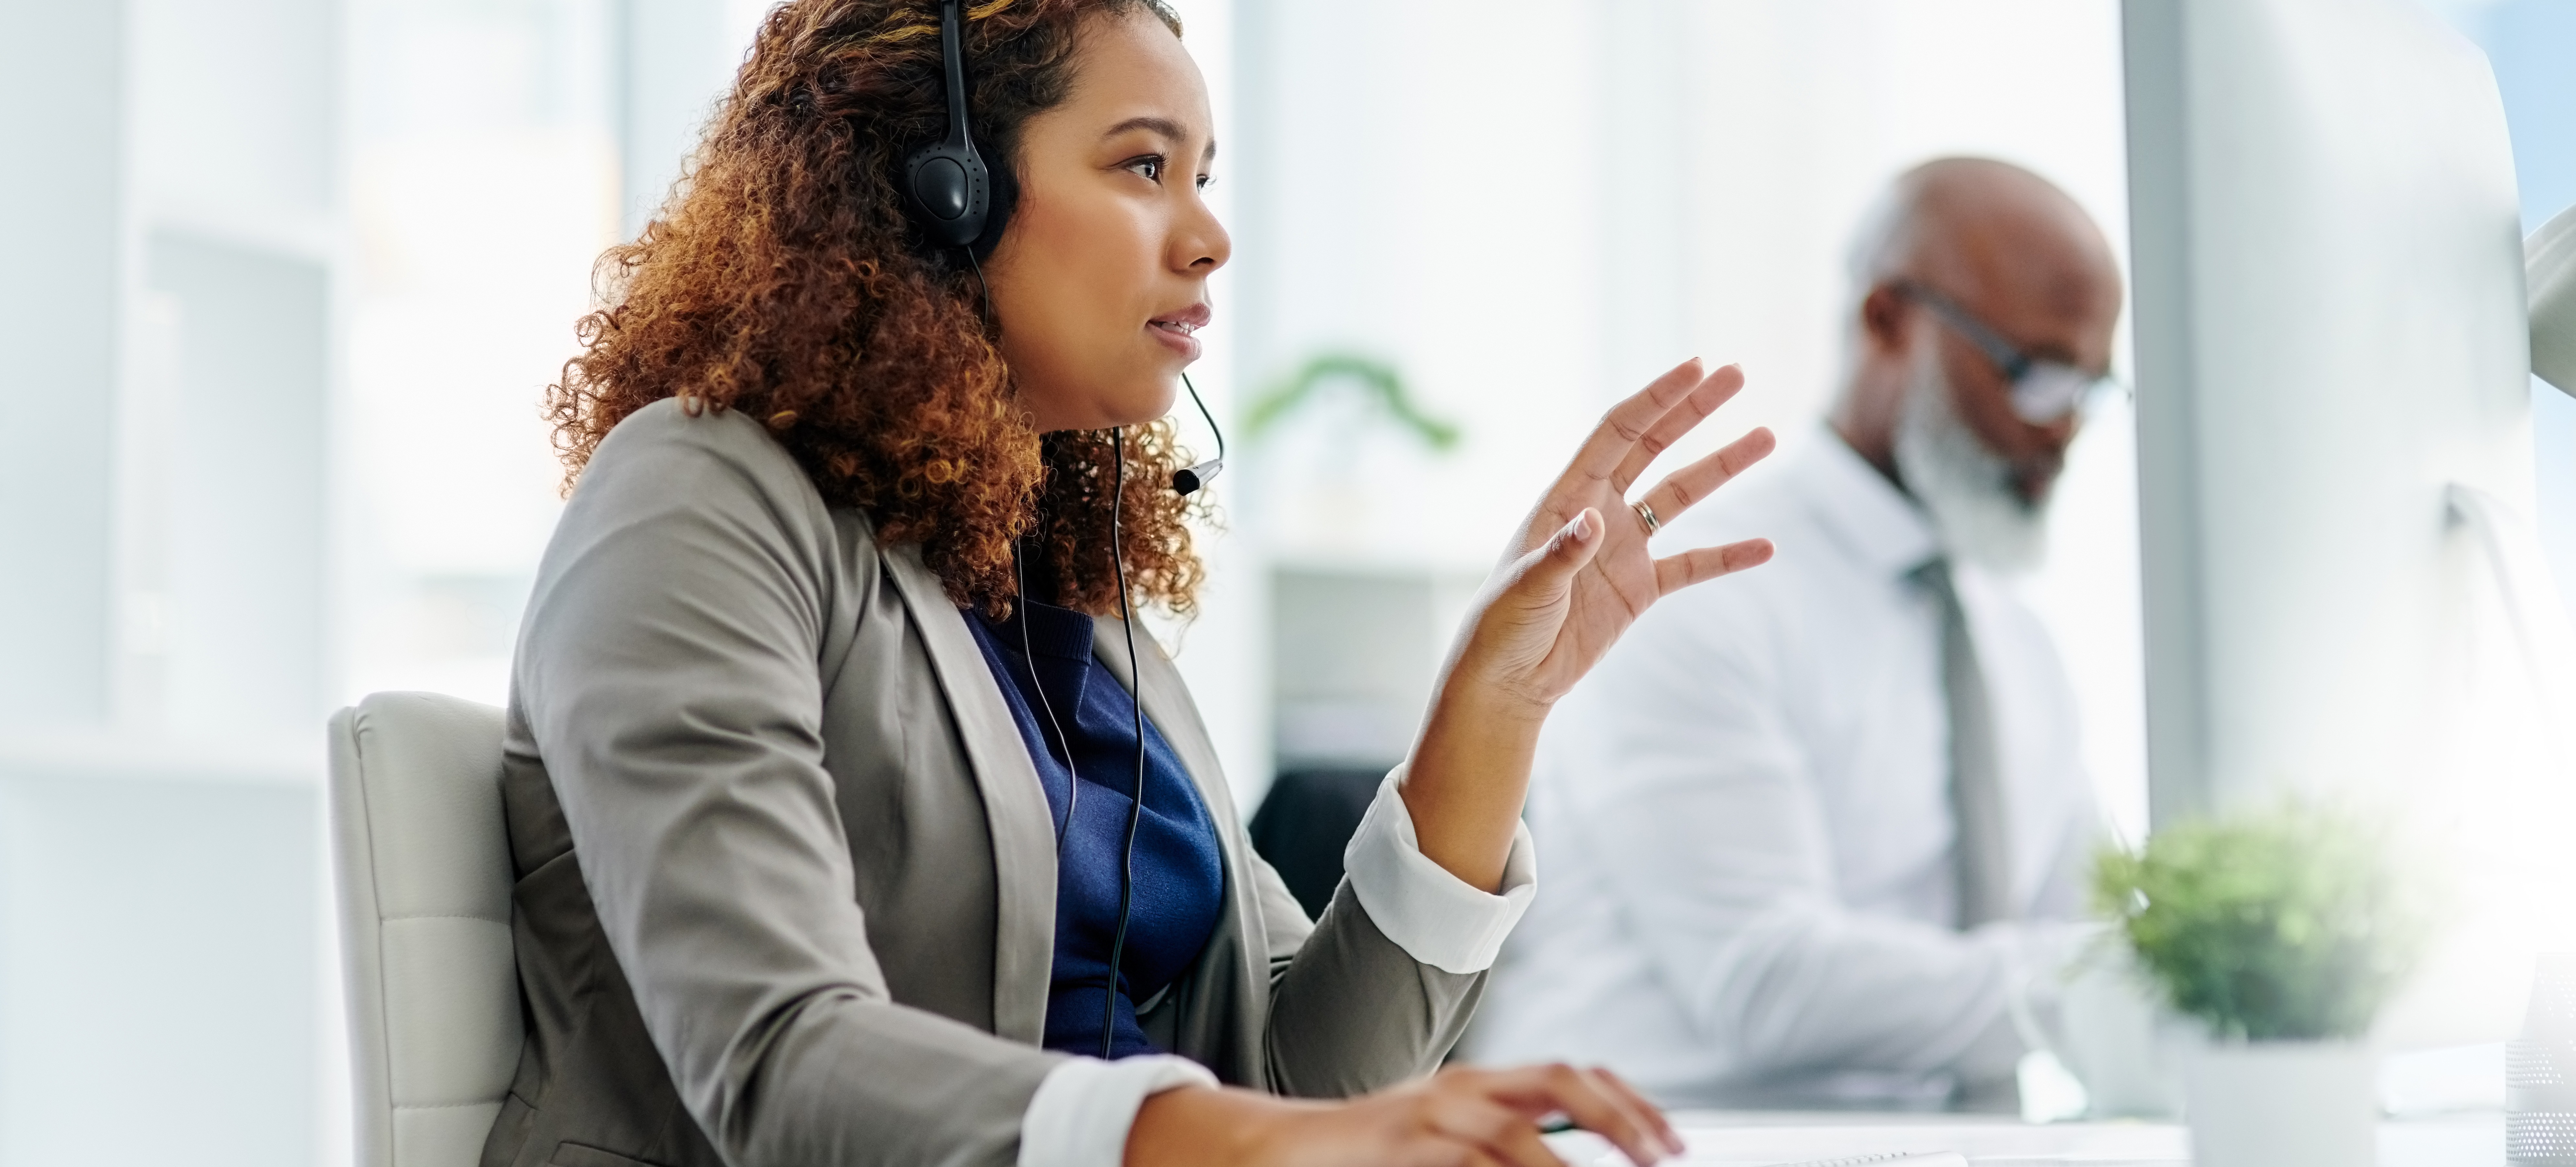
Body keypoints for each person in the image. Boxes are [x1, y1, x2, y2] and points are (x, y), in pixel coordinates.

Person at [484, 2, 1780, 1165]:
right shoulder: (696, 498)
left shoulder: (1057, 580)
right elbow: (772, 1054)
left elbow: (1300, 1087)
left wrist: (1492, 706)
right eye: (1143, 166)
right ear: (942, 192)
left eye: (1203, 177)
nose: (1210, 235)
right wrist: (1215, 1135)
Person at [1469, 158, 2123, 1111]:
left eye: (2090, 389)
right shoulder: (1690, 592)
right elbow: (1762, 980)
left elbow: (2086, 932)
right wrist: (2094, 994)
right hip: (1658, 1133)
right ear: (1887, 320)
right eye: (2035, 372)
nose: (2062, 428)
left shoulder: (2018, 645)